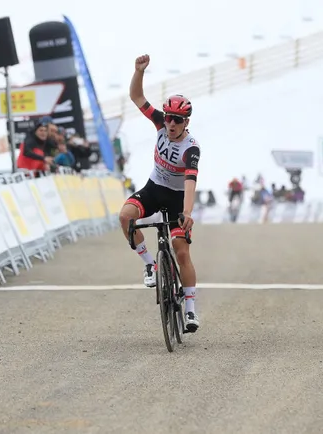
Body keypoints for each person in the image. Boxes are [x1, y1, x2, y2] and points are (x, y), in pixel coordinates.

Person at [118, 54, 201, 333]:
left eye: (177, 120)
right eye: (169, 118)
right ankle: (150, 265)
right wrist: (139, 71)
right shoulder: (159, 124)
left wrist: (187, 213)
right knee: (125, 217)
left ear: (186, 121)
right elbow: (136, 96)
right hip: (154, 188)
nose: (171, 124)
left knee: (181, 253)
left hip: (178, 198)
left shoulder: (191, 148)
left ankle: (190, 309)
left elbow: (190, 183)